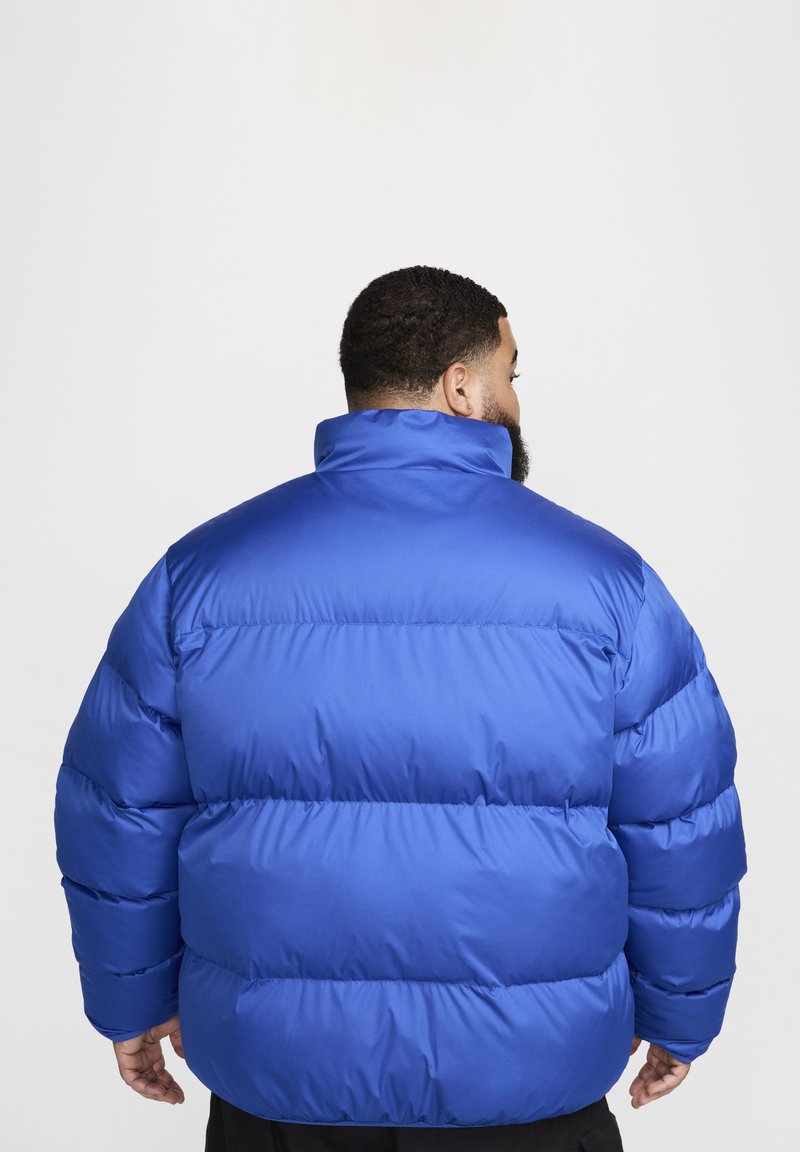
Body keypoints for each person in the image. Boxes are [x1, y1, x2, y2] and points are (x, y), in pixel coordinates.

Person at [53, 266, 747, 1152]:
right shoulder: (608, 585)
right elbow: (680, 821)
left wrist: (133, 1001)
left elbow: (118, 812)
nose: (515, 402)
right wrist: (681, 1012)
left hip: (280, 1088)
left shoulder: (200, 575)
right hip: (526, 1085)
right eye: (510, 376)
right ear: (462, 387)